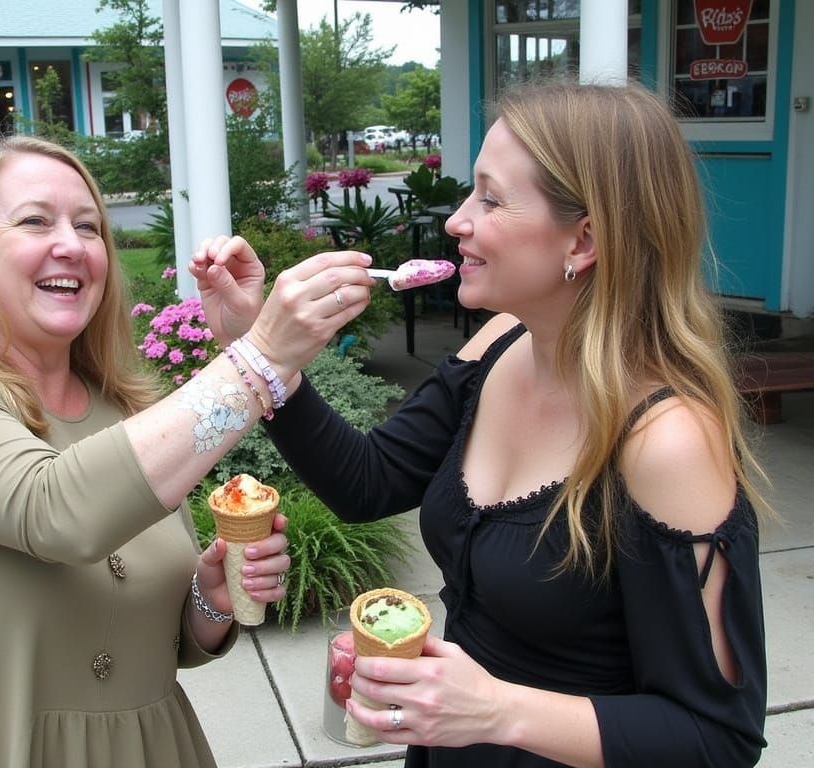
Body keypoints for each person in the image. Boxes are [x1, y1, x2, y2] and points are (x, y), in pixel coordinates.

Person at [193, 81, 771, 767]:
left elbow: (717, 737)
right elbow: (369, 482)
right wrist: (262, 348)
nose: (456, 221)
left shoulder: (665, 443)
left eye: (490, 199)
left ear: (584, 238)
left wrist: (498, 708)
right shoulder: (497, 343)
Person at [0, 135, 374, 767]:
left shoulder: (127, 412)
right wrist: (260, 353)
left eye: (88, 226)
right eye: (34, 221)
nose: (72, 245)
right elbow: (57, 511)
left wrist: (210, 597)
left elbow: (174, 644)